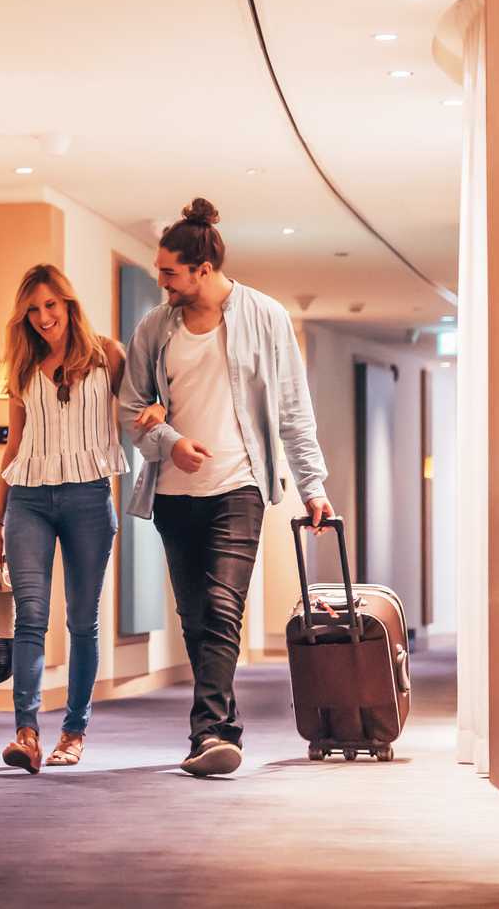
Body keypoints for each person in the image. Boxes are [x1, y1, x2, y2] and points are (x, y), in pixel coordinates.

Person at [118, 198, 333, 777]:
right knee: (196, 616)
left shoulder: (266, 317)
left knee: (221, 607)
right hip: (172, 493)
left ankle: (210, 732)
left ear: (203, 270)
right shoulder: (154, 328)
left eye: (169, 272)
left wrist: (312, 485)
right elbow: (130, 408)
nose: (160, 281)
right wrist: (170, 443)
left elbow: (293, 410)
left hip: (239, 485)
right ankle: (218, 725)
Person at [0, 264, 127, 774]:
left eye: (51, 306)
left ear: (68, 303)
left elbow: (138, 410)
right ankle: (26, 733)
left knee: (82, 621)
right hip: (29, 502)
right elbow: (13, 447)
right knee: (31, 618)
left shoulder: (109, 356)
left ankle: (73, 731)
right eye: (33, 310)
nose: (44, 318)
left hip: (89, 497)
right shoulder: (21, 369)